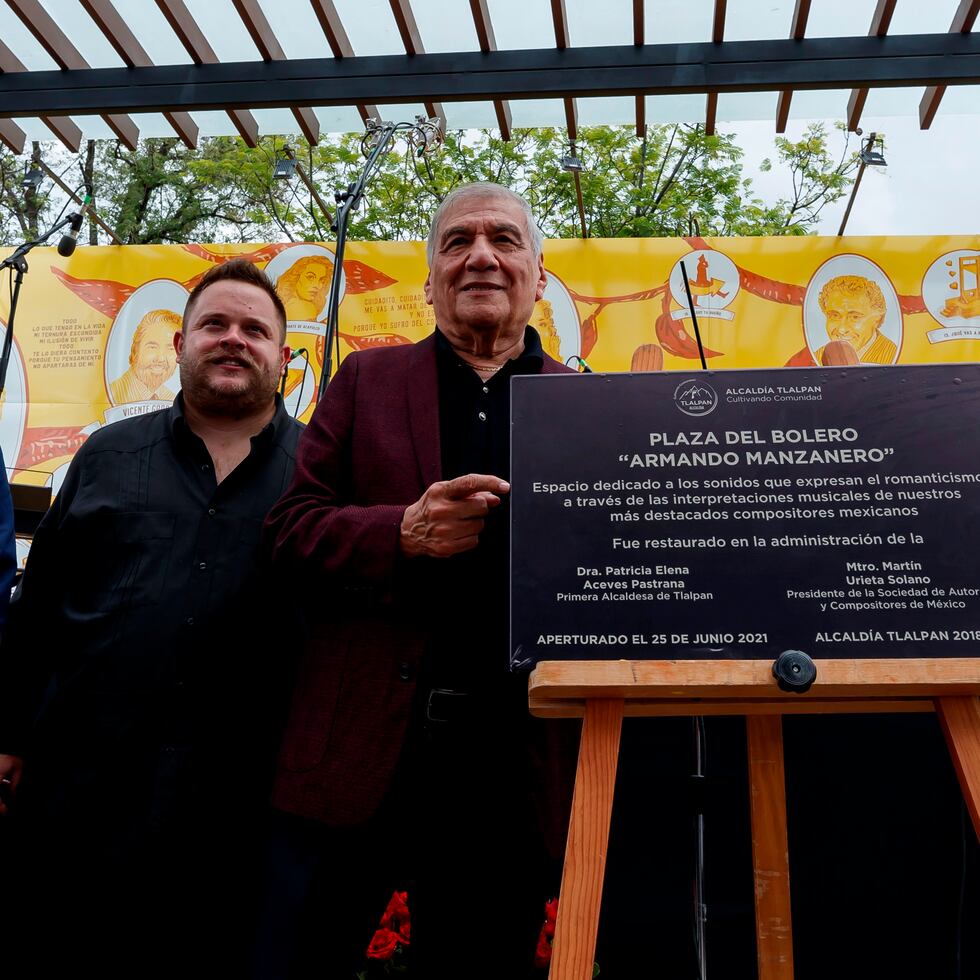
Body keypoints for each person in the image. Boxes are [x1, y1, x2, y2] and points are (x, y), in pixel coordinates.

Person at [257, 182, 578, 979]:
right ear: (429, 279)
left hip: (516, 763)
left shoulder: (586, 406)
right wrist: (397, 533)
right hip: (365, 751)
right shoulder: (366, 383)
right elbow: (288, 535)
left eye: (504, 239)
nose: (481, 256)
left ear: (539, 275)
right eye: (456, 242)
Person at [0, 258, 303, 979]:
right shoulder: (108, 456)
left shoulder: (319, 476)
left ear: (285, 358)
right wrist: (8, 737)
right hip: (85, 793)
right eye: (215, 325)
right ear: (179, 345)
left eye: (255, 329)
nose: (234, 339)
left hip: (241, 811)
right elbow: (38, 610)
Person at [814, 274, 897, 365]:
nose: (842, 329)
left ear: (877, 319)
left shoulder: (893, 356)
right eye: (835, 316)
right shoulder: (817, 358)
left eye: (855, 317)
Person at [108, 307, 181, 403]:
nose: (161, 358)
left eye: (170, 348)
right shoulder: (112, 394)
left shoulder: (172, 398)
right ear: (135, 349)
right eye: (152, 347)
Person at [276, 255, 331, 321]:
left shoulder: (283, 306)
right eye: (310, 277)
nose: (317, 285)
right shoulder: (305, 308)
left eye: (322, 280)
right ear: (296, 277)